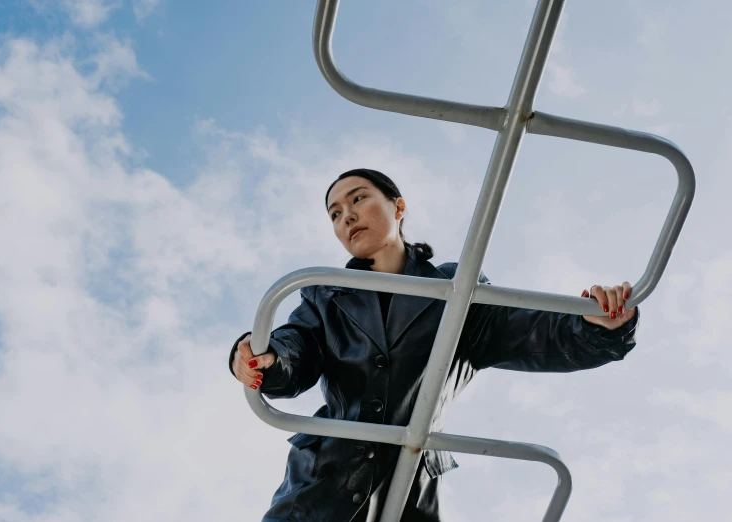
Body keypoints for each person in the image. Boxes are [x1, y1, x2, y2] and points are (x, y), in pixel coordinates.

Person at [228, 168, 639, 522]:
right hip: (320, 489)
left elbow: (528, 333)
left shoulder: (456, 289)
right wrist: (263, 357)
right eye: (335, 214)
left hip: (409, 486)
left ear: (398, 207)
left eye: (358, 199)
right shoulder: (323, 293)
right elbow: (295, 348)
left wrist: (597, 325)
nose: (347, 216)